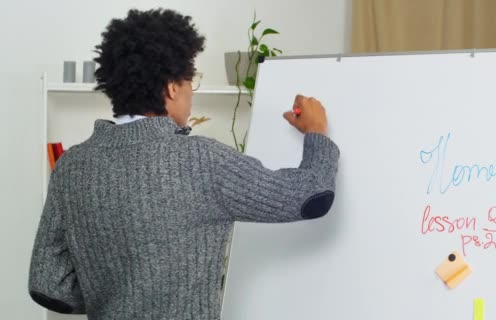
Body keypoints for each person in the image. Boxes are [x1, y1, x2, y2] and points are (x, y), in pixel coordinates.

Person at [28, 8, 339, 320]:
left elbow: (48, 285)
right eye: (191, 80)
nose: (191, 91)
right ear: (172, 87)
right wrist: (316, 134)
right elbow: (311, 197)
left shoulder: (72, 167)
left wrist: (117, 293)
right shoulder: (201, 162)